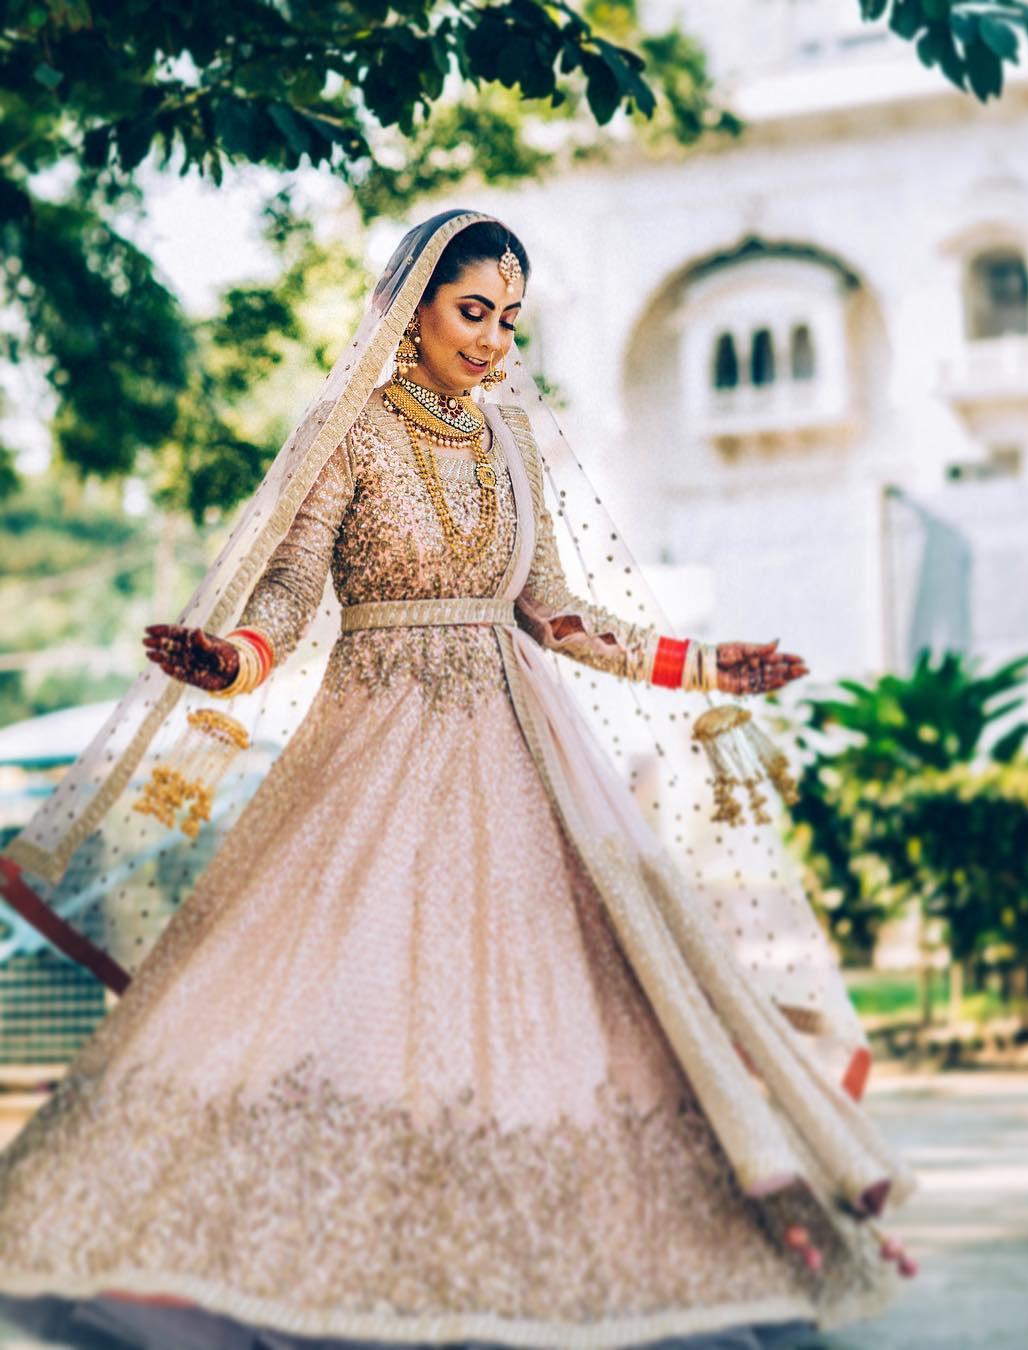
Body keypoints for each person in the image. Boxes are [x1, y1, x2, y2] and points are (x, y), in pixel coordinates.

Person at [0, 210, 916, 1350]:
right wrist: (233, 658)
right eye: (471, 311)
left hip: (522, 745)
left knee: (577, 995)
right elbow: (288, 591)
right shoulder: (348, 431)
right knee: (335, 990)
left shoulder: (512, 444)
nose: (490, 339)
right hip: (373, 741)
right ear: (413, 305)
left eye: (508, 318)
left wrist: (706, 664)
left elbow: (560, 614)